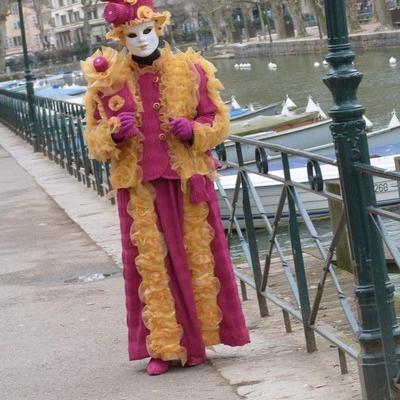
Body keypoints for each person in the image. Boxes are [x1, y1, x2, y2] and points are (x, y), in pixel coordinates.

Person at [81, 0, 250, 376]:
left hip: (186, 181)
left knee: (195, 261)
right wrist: (114, 132)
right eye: (131, 35)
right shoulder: (107, 80)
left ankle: (198, 342)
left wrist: (195, 131)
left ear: (158, 29)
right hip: (139, 186)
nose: (140, 40)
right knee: (152, 270)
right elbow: (93, 139)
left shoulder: (191, 70)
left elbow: (217, 119)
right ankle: (163, 348)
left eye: (146, 32)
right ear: (120, 38)